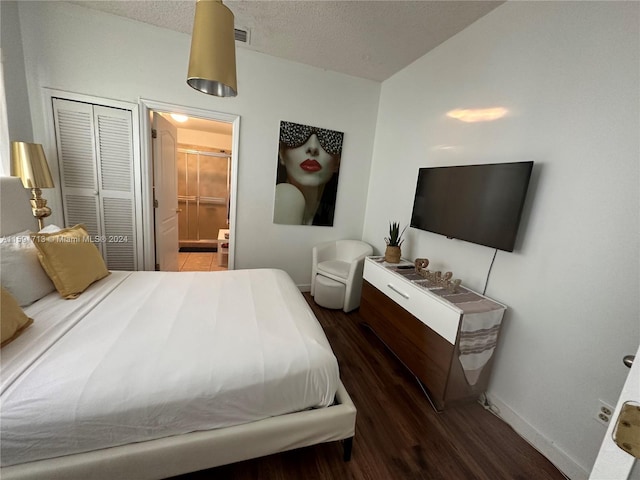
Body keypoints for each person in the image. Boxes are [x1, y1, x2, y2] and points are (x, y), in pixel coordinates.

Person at [274, 121, 343, 226]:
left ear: (337, 162)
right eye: (296, 132)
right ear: (281, 154)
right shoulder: (286, 196)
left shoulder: (326, 214)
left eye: (328, 137)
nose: (313, 147)